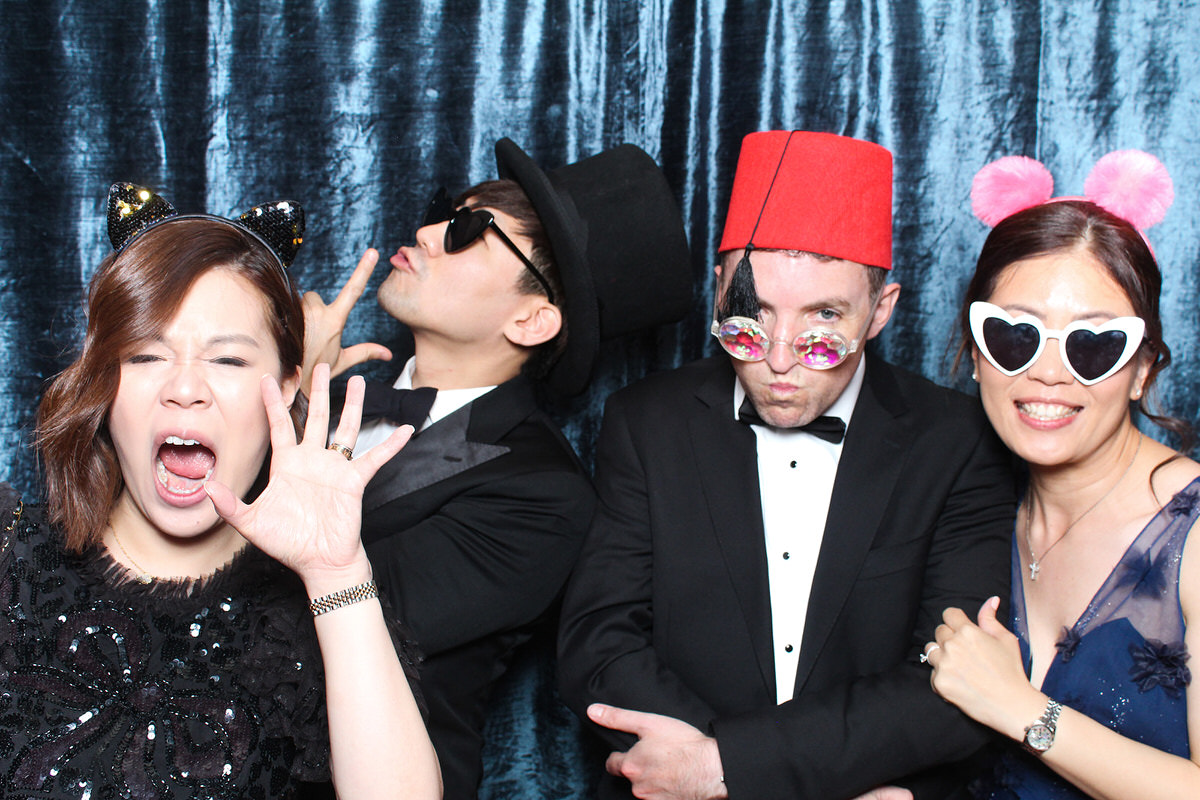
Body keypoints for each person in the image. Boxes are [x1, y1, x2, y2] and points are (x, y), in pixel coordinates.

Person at [555, 129, 1017, 800]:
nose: (777, 360)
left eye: (823, 320)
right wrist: (728, 774)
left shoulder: (960, 440)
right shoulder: (645, 421)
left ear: (880, 311)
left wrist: (731, 768)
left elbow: (953, 682)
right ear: (718, 291)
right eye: (749, 317)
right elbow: (600, 641)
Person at [1, 182, 441, 798]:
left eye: (228, 361)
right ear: (103, 378)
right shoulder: (9, 556)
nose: (185, 388)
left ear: (288, 386)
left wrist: (336, 575)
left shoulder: (321, 614)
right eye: (145, 356)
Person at [301, 139, 693, 799]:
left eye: (467, 232)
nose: (427, 233)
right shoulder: (331, 400)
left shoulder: (544, 498)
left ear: (532, 319)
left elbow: (304, 611)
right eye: (448, 214)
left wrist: (288, 395)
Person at [922, 151, 1200, 798]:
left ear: (1142, 370)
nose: (1049, 373)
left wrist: (1021, 710)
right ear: (974, 354)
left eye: (1094, 344)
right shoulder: (963, 505)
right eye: (1015, 336)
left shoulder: (1192, 538)